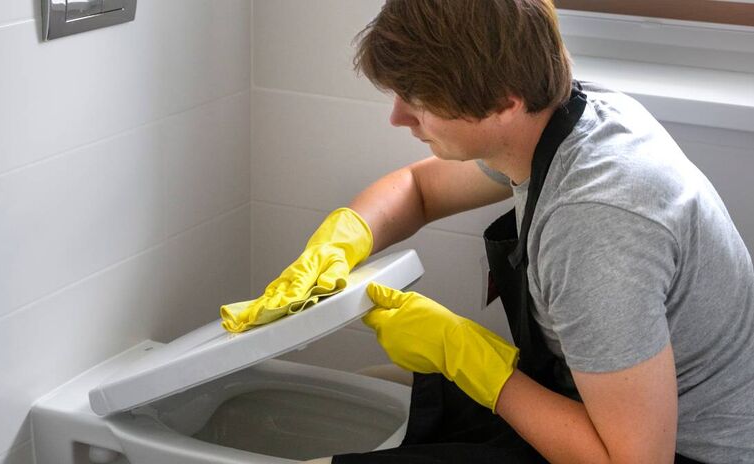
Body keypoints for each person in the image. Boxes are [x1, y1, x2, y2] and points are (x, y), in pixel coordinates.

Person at [222, 1, 754, 462]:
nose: (399, 118)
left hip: (682, 452)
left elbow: (635, 462)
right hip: (606, 414)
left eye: (421, 100)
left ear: (504, 103)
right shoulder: (568, 117)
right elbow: (418, 189)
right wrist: (343, 239)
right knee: (378, 383)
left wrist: (464, 353)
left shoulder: (596, 227)